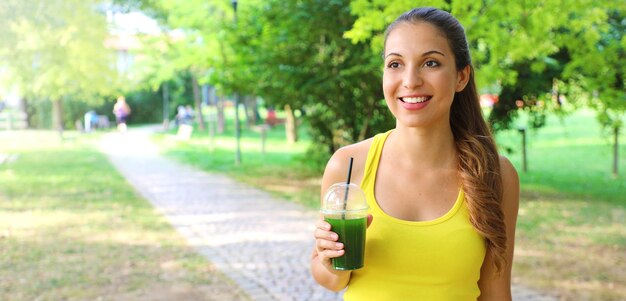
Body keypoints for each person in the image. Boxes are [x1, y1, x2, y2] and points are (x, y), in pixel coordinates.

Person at [311, 7, 519, 301]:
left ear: (461, 77)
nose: (410, 80)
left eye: (430, 63)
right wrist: (330, 259)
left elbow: (496, 292)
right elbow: (331, 279)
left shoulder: (495, 174)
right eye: (395, 64)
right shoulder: (348, 165)